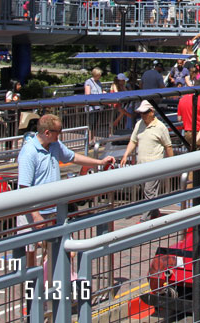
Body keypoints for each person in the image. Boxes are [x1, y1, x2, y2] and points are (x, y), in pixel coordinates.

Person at [17, 114, 115, 272]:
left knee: (54, 249)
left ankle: (51, 286)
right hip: (33, 212)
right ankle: (32, 292)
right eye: (58, 131)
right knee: (31, 253)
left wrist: (99, 162)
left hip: (52, 209)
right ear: (47, 132)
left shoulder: (55, 144)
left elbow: (73, 157)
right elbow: (24, 188)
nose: (60, 134)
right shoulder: (29, 152)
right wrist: (35, 214)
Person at [119, 101, 174, 219]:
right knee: (147, 191)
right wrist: (125, 154)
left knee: (149, 191)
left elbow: (168, 146)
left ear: (152, 112)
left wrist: (171, 163)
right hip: (141, 164)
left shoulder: (161, 127)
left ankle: (145, 218)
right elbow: (133, 141)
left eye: (145, 113)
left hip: (155, 164)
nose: (143, 115)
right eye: (141, 113)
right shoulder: (139, 124)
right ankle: (154, 212)